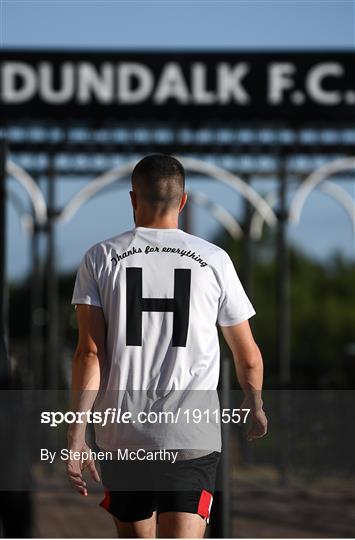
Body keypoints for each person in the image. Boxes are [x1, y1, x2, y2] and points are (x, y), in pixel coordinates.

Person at [67, 154, 267, 538]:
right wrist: (254, 404)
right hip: (190, 435)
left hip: (122, 434)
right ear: (184, 200)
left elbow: (89, 354)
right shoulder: (214, 260)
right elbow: (249, 355)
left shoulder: (100, 257)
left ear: (132, 199)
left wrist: (76, 433)